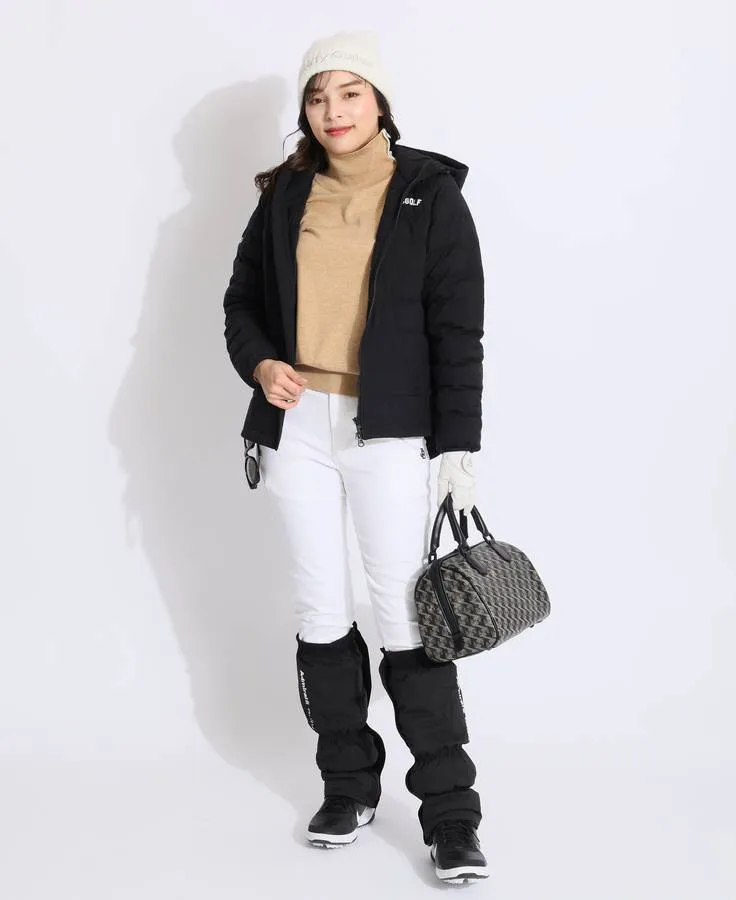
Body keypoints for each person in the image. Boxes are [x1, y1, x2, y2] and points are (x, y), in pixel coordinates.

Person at [222, 30, 488, 885]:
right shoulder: (285, 195)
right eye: (317, 96)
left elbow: (458, 331)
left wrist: (458, 448)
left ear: (379, 102)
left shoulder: (429, 194)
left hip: (388, 430)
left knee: (407, 615)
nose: (332, 111)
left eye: (349, 93)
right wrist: (262, 364)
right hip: (297, 425)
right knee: (320, 611)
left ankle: (451, 814)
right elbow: (241, 304)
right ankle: (347, 787)